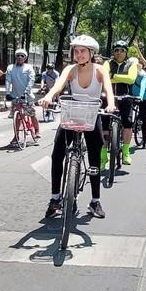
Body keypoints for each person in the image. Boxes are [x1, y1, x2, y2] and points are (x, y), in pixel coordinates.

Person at [41, 34, 115, 221]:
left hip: (91, 115)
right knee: (57, 153)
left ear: (91, 53)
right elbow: (59, 85)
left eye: (83, 51)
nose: (79, 54)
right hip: (72, 114)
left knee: (94, 156)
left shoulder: (99, 70)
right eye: (76, 51)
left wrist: (111, 104)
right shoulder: (70, 69)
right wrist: (49, 97)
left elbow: (108, 90)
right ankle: (55, 198)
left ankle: (95, 201)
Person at [106, 40, 143, 166]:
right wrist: (120, 77)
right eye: (116, 50)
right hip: (109, 97)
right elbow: (105, 76)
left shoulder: (131, 64)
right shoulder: (108, 63)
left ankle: (126, 152)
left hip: (126, 97)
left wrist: (114, 76)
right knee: (104, 126)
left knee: (127, 124)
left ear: (126, 52)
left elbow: (131, 79)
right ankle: (103, 156)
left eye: (122, 50)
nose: (119, 53)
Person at [4, 48, 40, 146]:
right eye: (18, 55)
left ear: (25, 58)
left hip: (27, 97)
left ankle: (36, 131)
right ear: (15, 57)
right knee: (16, 117)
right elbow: (7, 80)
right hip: (15, 96)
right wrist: (7, 93)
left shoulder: (28, 68)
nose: (20, 57)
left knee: (32, 114)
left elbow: (31, 80)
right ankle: (16, 136)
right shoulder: (10, 68)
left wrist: (26, 92)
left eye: (22, 56)